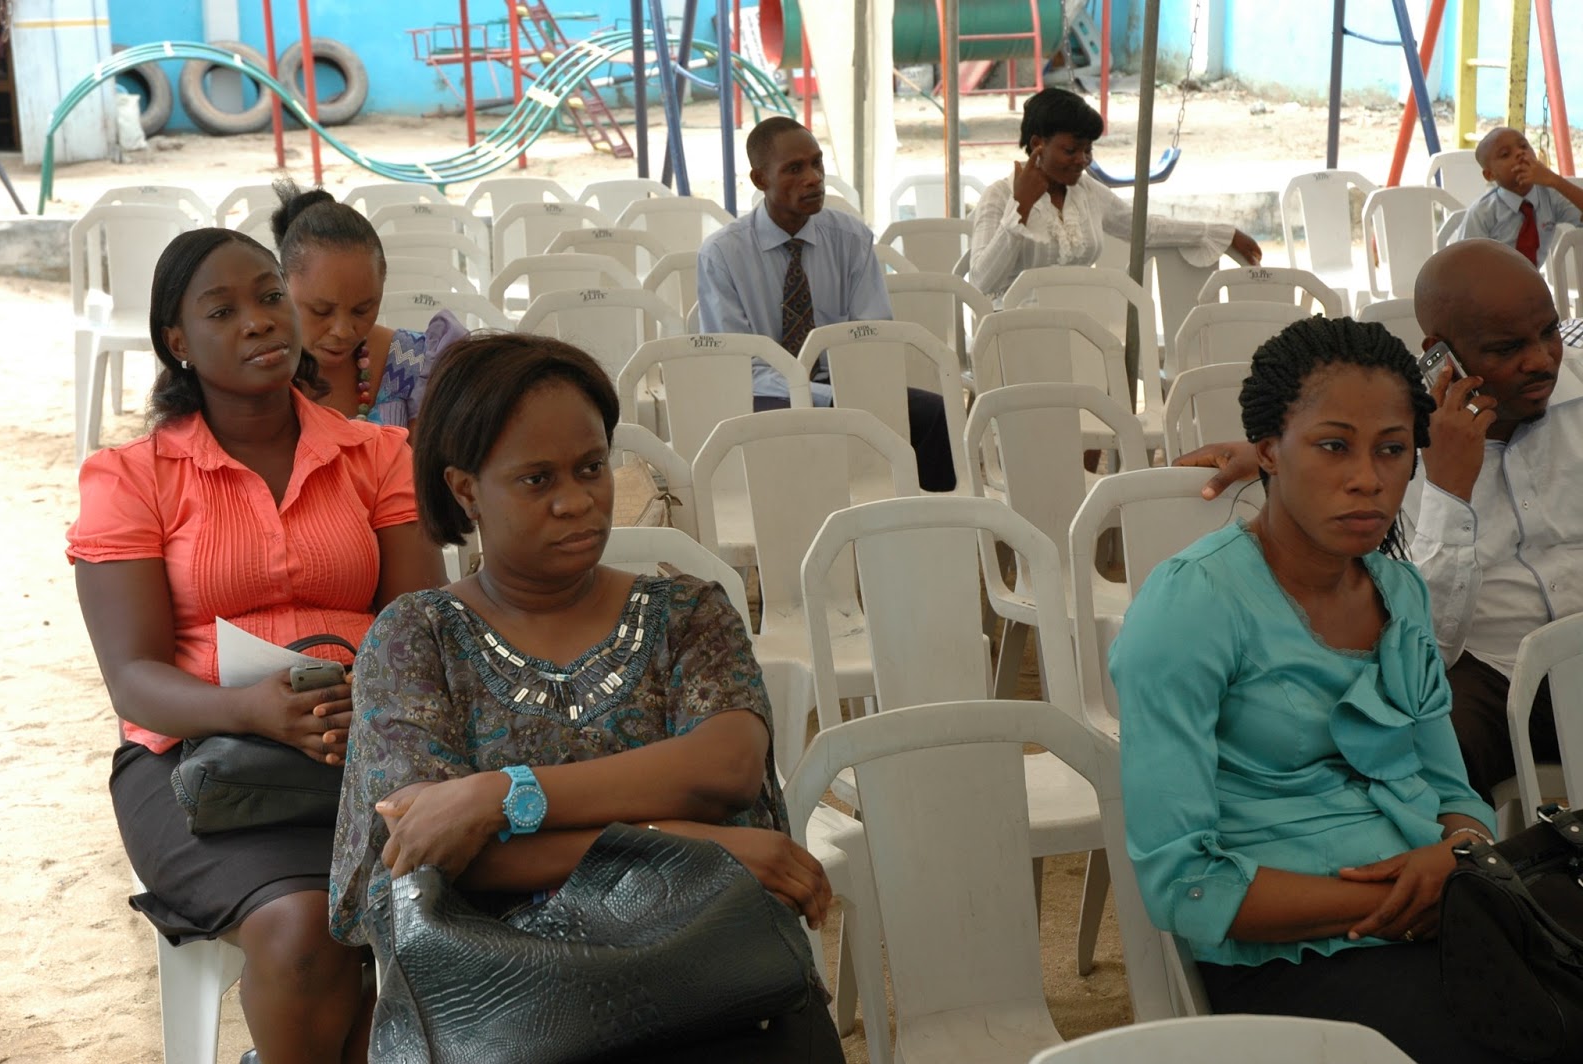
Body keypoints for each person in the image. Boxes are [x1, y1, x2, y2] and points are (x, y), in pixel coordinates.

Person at [329, 332, 845, 1061]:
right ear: (464, 488)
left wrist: (502, 799)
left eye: (592, 467)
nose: (577, 502)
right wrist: (710, 845)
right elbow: (438, 857)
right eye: (536, 480)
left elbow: (722, 767)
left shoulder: (687, 614)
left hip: (711, 977)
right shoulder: (417, 639)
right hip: (505, 1008)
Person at [67, 228, 446, 1063]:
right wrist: (253, 710)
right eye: (223, 309)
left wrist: (364, 713)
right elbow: (134, 680)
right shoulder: (133, 477)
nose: (259, 322)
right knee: (306, 929)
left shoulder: (376, 453)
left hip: (366, 750)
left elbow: (419, 629)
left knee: (426, 921)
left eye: (271, 297)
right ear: (179, 341)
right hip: (199, 767)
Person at [1114, 316, 1501, 1063]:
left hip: (1439, 917)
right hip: (1292, 958)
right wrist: (1402, 905)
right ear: (1267, 452)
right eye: (1333, 447)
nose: (1368, 477)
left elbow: (1456, 794)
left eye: (1392, 450)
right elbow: (1182, 882)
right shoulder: (1194, 605)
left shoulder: (1398, 592)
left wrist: (1457, 851)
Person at [1177, 240, 1575, 803]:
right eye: (1507, 347)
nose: (1540, 359)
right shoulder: (1394, 446)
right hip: (1486, 669)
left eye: (1549, 333)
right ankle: (1473, 884)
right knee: (1413, 740)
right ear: (1442, 353)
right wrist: (1446, 490)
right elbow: (1427, 648)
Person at [696, 115, 957, 491]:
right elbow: (736, 367)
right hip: (764, 394)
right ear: (760, 180)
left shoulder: (850, 239)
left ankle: (932, 529)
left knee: (935, 414)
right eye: (794, 169)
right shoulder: (722, 255)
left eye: (817, 163)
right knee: (800, 426)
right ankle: (799, 529)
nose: (814, 178)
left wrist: (850, 391)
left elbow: (872, 336)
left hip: (845, 386)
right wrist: (823, 397)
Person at [969, 87, 1262, 302]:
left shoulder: (1086, 193)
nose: (1081, 160)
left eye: (1088, 151)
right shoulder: (1000, 195)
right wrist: (1020, 207)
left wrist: (1221, 233)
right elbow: (982, 281)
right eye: (1071, 150)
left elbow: (1144, 229)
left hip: (1080, 325)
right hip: (1011, 334)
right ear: (1037, 144)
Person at [271, 179, 467, 436]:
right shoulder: (262, 373)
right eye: (321, 311)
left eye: (362, 310)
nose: (343, 330)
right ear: (282, 285)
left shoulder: (414, 363)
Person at [1453, 126, 1583, 267]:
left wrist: (1554, 180)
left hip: (1532, 284)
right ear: (1490, 175)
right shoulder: (1482, 213)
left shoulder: (1550, 196)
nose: (1520, 153)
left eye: (1524, 146)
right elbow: (1465, 266)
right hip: (1489, 285)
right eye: (1505, 154)